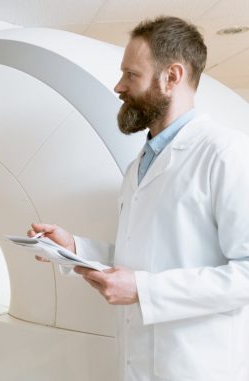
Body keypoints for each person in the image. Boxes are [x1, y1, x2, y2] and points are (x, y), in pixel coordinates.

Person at [29, 16, 249, 381]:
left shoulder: (226, 154)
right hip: (139, 364)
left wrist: (144, 290)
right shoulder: (139, 166)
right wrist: (73, 248)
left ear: (172, 76)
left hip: (198, 367)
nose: (118, 86)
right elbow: (142, 258)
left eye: (131, 75)